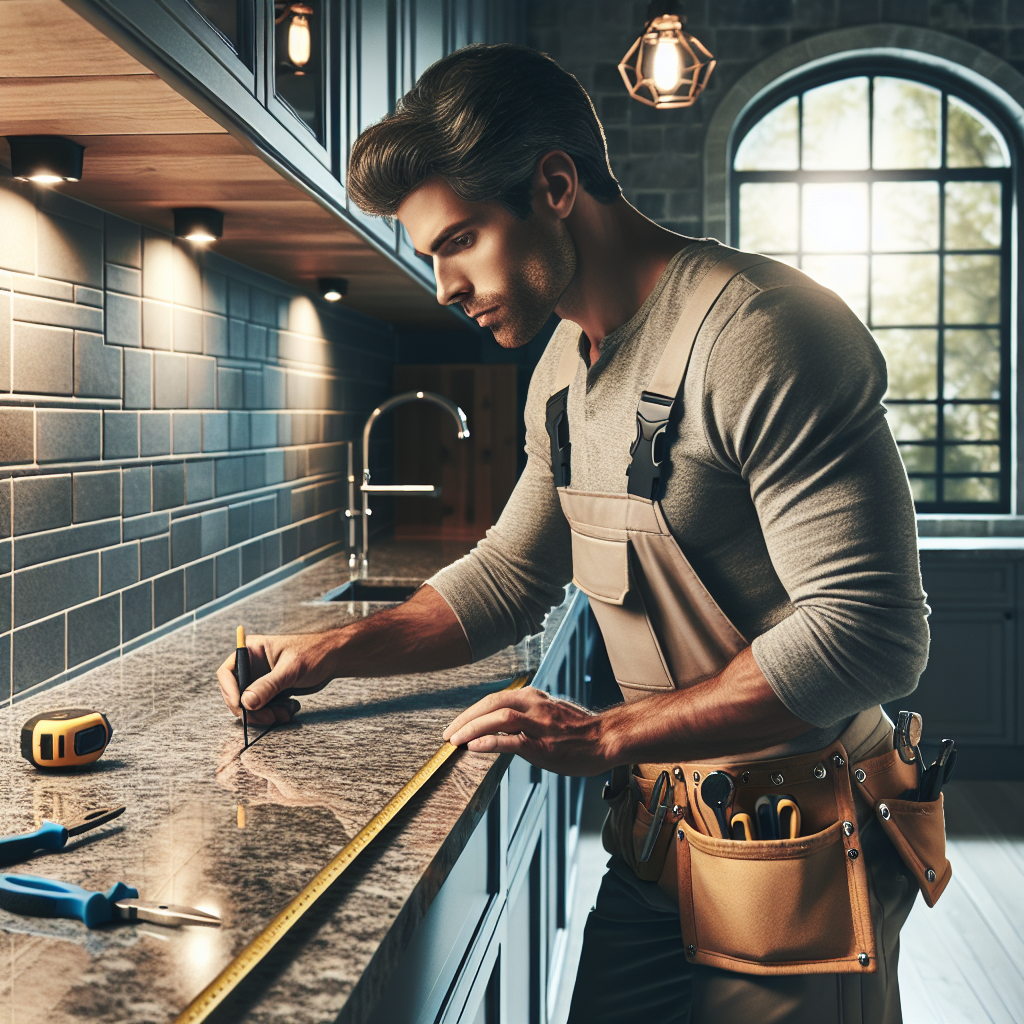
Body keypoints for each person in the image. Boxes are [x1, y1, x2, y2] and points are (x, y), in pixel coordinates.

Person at [217, 44, 929, 1023]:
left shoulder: (764, 330)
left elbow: (870, 633)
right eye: (429, 253)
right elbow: (512, 571)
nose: (442, 284)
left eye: (458, 238)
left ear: (555, 184)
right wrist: (332, 652)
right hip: (655, 841)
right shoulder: (562, 364)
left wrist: (609, 733)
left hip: (796, 841)